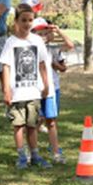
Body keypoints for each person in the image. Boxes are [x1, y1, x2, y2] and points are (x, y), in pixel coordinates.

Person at [0, 4, 52, 169]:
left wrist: (46, 84)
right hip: (17, 93)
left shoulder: (36, 41)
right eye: (24, 20)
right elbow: (6, 66)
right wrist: (6, 89)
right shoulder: (11, 42)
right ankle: (21, 155)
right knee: (18, 125)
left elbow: (42, 63)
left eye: (30, 20)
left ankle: (35, 154)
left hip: (33, 91)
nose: (27, 24)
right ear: (16, 21)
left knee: (32, 125)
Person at [32, 17, 74, 164]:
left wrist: (59, 31)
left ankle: (55, 152)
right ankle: (32, 150)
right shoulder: (30, 49)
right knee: (34, 121)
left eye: (46, 32)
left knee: (51, 121)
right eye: (40, 33)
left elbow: (70, 45)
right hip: (35, 90)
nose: (44, 36)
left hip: (52, 89)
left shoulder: (53, 49)